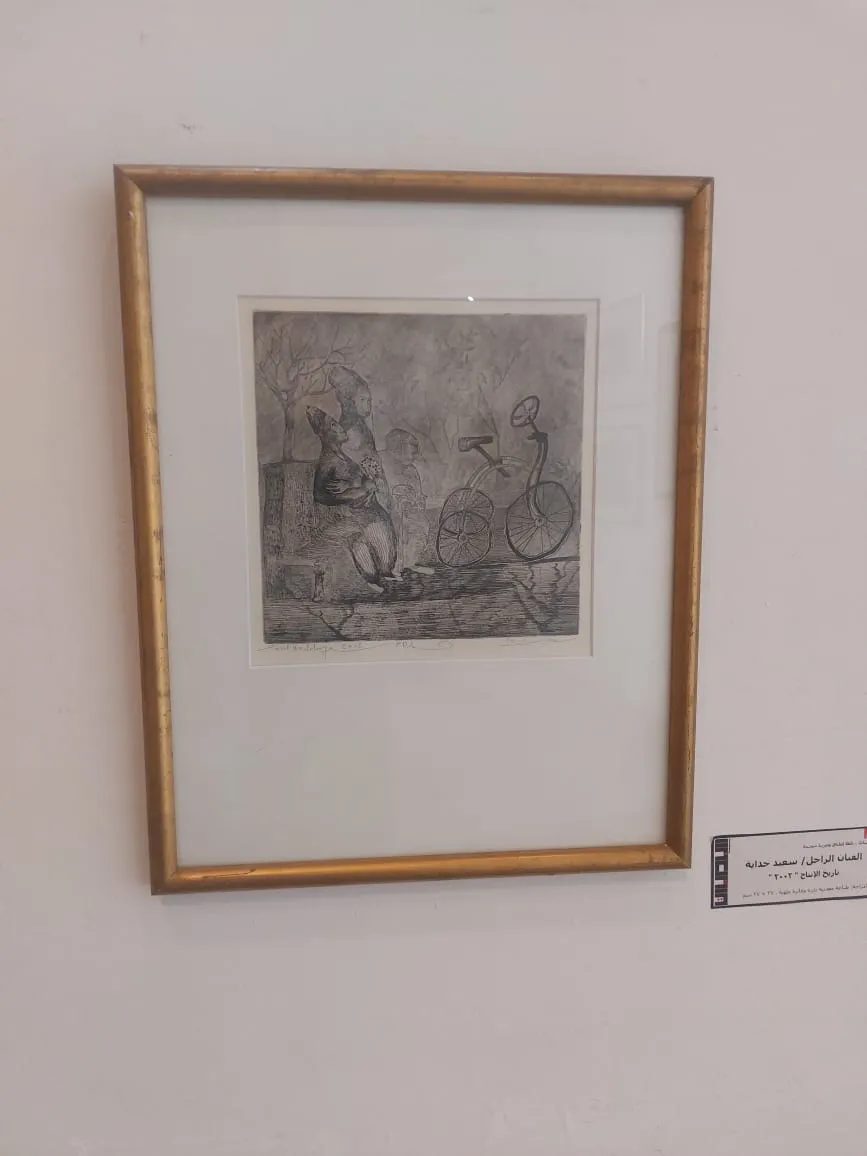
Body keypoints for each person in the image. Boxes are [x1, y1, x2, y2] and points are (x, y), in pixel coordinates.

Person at [306, 407, 398, 594]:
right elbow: (320, 495)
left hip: (370, 511)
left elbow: (362, 480)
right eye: (333, 426)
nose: (340, 428)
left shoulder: (343, 456)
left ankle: (382, 573)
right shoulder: (328, 462)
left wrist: (365, 484)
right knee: (366, 541)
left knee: (385, 555)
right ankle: (371, 578)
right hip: (353, 516)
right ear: (323, 434)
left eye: (337, 423)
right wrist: (348, 494)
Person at [381, 428, 434, 576]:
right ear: (395, 452)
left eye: (415, 453)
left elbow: (418, 493)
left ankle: (409, 562)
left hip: (408, 510)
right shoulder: (381, 464)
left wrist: (417, 503)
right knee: (395, 528)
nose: (415, 457)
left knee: (421, 526)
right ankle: (392, 566)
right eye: (412, 453)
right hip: (387, 510)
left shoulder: (411, 470)